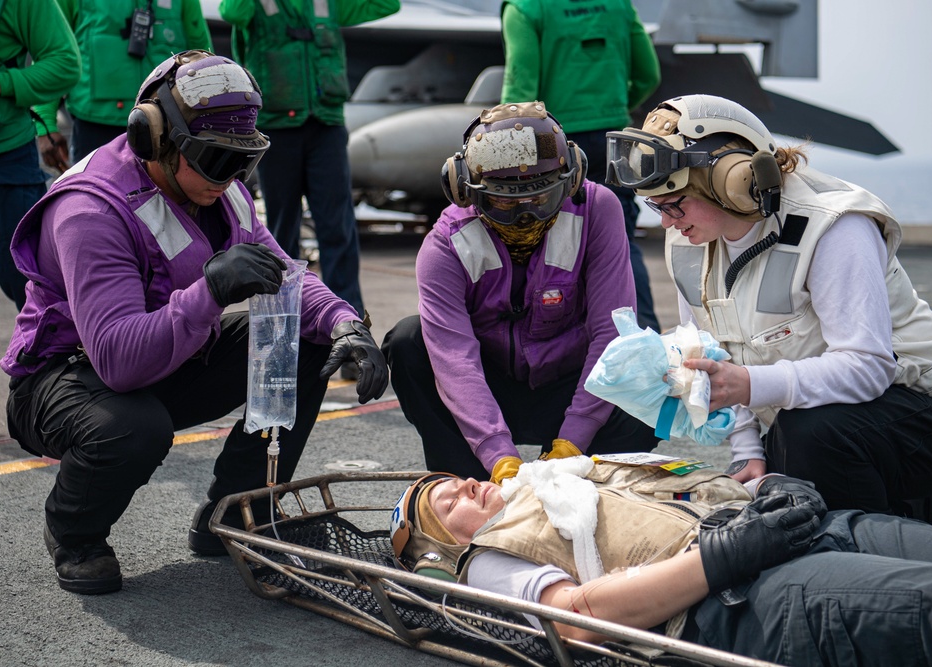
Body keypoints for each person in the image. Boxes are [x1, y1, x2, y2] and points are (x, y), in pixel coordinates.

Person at [0, 50, 389, 595]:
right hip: (67, 378)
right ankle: (76, 534)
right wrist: (209, 291)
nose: (231, 177)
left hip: (165, 357)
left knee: (300, 340)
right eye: (215, 159)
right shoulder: (91, 210)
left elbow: (289, 277)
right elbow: (118, 360)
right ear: (153, 138)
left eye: (242, 161)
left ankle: (234, 512)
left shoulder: (217, 186)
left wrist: (345, 323)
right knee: (132, 429)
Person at [604, 93, 932, 523]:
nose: (665, 222)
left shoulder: (833, 226)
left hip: (929, 407)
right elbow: (708, 355)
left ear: (729, 180)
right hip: (832, 413)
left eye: (673, 203)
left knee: (810, 437)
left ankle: (878, 544)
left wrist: (748, 384)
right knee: (782, 465)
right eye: (655, 206)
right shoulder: (688, 241)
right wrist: (746, 452)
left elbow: (867, 367)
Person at [390, 461, 932, 665]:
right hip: (747, 592)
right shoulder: (487, 559)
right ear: (442, 547)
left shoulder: (556, 479)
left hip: (799, 531)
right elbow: (571, 617)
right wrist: (723, 557)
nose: (467, 484)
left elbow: (681, 484)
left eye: (457, 480)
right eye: (449, 501)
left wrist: (767, 487)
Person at [381, 101, 659, 485]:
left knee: (649, 362)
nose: (525, 215)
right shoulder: (445, 246)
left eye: (540, 198)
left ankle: (594, 480)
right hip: (488, 391)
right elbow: (455, 360)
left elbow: (612, 333)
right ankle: (470, 483)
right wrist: (500, 458)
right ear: (464, 190)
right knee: (409, 341)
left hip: (574, 386)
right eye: (504, 202)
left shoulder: (597, 210)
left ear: (571, 181)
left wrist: (573, 441)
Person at [218, 0, 400, 328]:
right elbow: (232, 11)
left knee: (338, 229)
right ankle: (281, 326)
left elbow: (386, 5)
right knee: (280, 230)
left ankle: (350, 326)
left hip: (326, 125)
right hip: (277, 125)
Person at [500, 0, 661, 331]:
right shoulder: (618, 5)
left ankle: (553, 337)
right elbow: (649, 74)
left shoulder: (526, 8)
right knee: (621, 240)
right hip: (613, 136)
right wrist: (614, 108)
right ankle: (643, 334)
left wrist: (505, 153)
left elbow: (520, 89)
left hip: (553, 140)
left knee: (549, 240)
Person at [0, 0, 79, 439]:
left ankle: (70, 398)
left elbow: (66, 64)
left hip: (1, 160)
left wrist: (5, 81)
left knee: (30, 280)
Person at [32, 0, 213, 170]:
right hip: (95, 126)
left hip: (164, 127)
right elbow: (54, 55)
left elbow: (202, 56)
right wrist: (45, 124)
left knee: (163, 203)